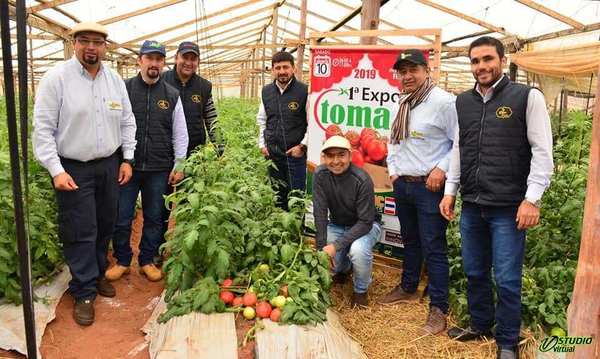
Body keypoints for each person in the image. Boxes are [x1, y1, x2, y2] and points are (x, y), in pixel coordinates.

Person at [439, 36, 553, 359]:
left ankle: (506, 341)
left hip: (508, 207)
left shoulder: (526, 97)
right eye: (475, 61)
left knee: (505, 276)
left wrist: (531, 199)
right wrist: (451, 191)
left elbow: (543, 152)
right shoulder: (463, 102)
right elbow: (459, 149)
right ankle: (480, 324)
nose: (481, 67)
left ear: (502, 61)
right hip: (473, 205)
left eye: (487, 59)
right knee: (474, 270)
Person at [33, 22, 137, 326]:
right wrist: (56, 169)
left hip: (108, 164)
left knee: (105, 223)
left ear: (105, 47)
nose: (91, 47)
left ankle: (97, 273)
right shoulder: (57, 79)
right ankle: (83, 291)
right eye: (84, 41)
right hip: (73, 166)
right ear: (73, 44)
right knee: (80, 228)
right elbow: (43, 130)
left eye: (97, 42)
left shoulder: (114, 80)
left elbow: (127, 121)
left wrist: (127, 158)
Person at [378, 49, 457, 335]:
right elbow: (394, 142)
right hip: (404, 184)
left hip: (429, 186)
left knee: (434, 246)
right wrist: (394, 171)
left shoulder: (444, 102)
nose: (408, 76)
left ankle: (438, 308)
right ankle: (409, 287)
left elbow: (459, 142)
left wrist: (442, 168)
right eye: (403, 71)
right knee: (410, 239)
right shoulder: (402, 101)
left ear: (427, 70)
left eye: (414, 70)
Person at [105, 40, 188, 283]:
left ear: (164, 63)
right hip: (127, 166)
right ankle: (122, 260)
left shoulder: (172, 95)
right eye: (149, 58)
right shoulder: (124, 89)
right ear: (140, 60)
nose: (154, 64)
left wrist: (179, 164)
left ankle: (147, 260)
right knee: (122, 215)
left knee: (154, 216)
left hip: (159, 167)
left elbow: (180, 133)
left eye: (158, 59)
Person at [312, 136, 382, 308]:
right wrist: (322, 248)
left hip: (367, 226)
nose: (336, 161)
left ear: (350, 156)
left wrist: (335, 246)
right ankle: (343, 271)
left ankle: (360, 292)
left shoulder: (362, 180)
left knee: (358, 250)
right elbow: (320, 212)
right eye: (330, 156)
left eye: (341, 155)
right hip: (337, 224)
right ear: (324, 158)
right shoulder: (320, 175)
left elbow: (365, 221)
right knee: (332, 259)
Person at [256, 51, 308, 210]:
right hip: (273, 154)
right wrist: (262, 145)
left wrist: (302, 146)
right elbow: (262, 120)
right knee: (278, 195)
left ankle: (296, 231)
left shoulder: (304, 91)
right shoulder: (266, 92)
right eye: (277, 67)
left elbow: (311, 123)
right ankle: (280, 229)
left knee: (296, 196)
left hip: (295, 155)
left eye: (286, 67)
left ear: (293, 69)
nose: (282, 71)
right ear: (272, 70)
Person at [163, 41, 223, 157]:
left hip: (195, 152)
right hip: (166, 150)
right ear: (176, 58)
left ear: (198, 62)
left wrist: (220, 149)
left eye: (193, 59)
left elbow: (211, 120)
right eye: (185, 58)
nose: (188, 63)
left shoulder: (204, 86)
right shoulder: (162, 81)